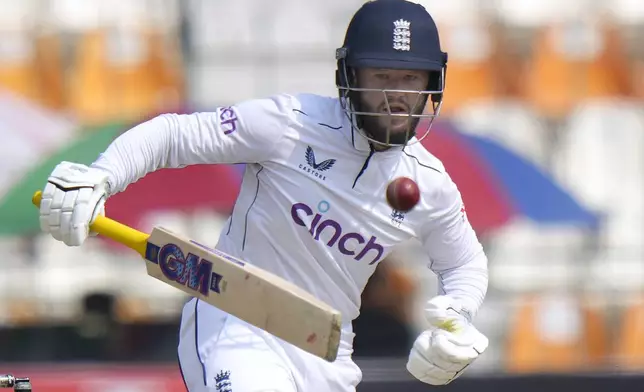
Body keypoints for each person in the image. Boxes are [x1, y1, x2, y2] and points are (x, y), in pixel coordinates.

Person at [37, 0, 489, 390]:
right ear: (349, 75)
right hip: (236, 320)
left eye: (411, 80)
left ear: (432, 83)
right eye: (382, 76)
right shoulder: (289, 124)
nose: (396, 97)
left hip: (326, 351)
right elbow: (174, 135)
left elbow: (464, 262)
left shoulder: (430, 184)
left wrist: (459, 316)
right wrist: (101, 177)